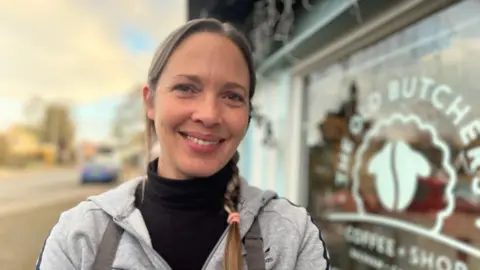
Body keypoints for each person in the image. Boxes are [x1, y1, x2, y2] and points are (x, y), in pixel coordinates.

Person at [36, 18, 331, 270]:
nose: (209, 115)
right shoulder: (81, 236)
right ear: (150, 102)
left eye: (232, 96)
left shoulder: (291, 235)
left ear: (248, 114)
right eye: (186, 88)